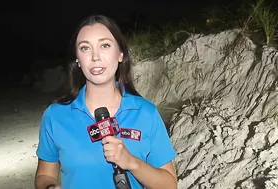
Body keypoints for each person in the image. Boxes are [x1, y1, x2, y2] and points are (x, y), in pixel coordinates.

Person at [34, 14, 178, 189]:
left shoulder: (146, 113)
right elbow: (44, 174)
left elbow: (169, 184)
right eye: (85, 48)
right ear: (78, 60)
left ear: (120, 54)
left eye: (105, 45)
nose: (95, 56)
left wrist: (132, 162)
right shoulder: (55, 116)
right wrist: (49, 187)